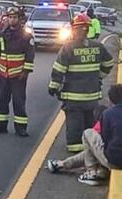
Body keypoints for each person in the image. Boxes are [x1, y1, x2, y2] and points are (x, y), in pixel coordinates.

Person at [49, 13, 114, 153]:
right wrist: (100, 76)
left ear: (74, 29)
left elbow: (58, 70)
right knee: (89, 121)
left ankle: (75, 148)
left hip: (73, 97)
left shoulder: (68, 48)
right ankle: (89, 147)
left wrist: (53, 87)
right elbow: (109, 63)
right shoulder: (98, 47)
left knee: (74, 123)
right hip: (92, 96)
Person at [47, 84, 122, 183]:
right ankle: (61, 164)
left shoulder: (108, 114)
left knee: (88, 134)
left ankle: (91, 172)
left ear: (111, 100)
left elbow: (105, 142)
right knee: (93, 151)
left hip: (115, 161)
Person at [0, 6, 35, 137]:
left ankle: (21, 127)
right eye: (10, 17)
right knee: (2, 100)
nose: (12, 20)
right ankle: (0, 125)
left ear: (20, 19)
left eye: (14, 17)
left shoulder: (26, 36)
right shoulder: (1, 35)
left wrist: (25, 72)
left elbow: (30, 56)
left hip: (18, 74)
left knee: (18, 101)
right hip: (3, 73)